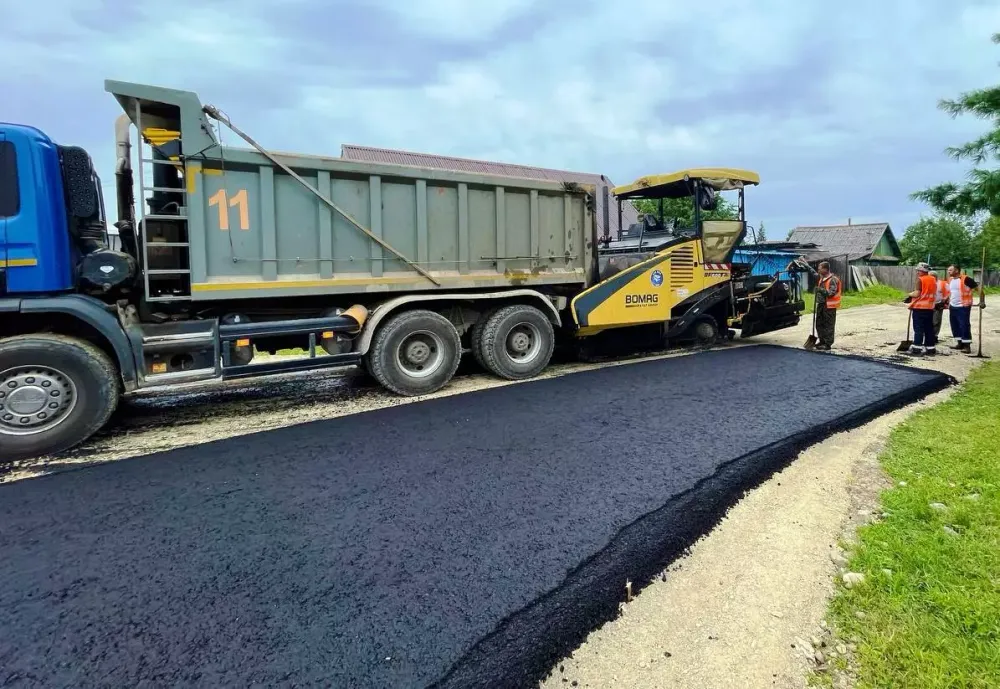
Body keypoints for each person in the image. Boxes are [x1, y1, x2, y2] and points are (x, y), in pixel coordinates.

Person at [806, 260, 841, 350]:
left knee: (828, 325)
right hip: (821, 304)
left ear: (825, 269)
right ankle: (822, 341)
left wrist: (820, 290)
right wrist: (805, 264)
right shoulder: (822, 278)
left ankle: (827, 344)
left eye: (820, 268)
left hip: (829, 306)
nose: (818, 270)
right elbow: (814, 273)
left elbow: (831, 293)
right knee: (819, 323)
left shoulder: (833, 279)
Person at [946, 264, 981, 353]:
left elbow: (978, 289)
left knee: (964, 325)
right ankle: (960, 343)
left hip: (963, 306)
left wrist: (982, 301)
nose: (948, 272)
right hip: (953, 306)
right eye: (948, 270)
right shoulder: (950, 280)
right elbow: (951, 292)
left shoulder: (966, 279)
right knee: (955, 325)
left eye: (950, 270)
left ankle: (967, 346)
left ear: (957, 270)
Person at [905, 262, 938, 356]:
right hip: (930, 308)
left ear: (922, 271)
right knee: (929, 329)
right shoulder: (933, 279)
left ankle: (917, 348)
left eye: (918, 270)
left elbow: (917, 294)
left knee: (918, 329)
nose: (917, 272)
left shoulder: (920, 280)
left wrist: (909, 294)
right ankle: (930, 349)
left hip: (919, 308)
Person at [930, 270, 948, 338]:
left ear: (936, 277)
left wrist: (944, 301)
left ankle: (935, 336)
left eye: (932, 277)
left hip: (938, 305)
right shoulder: (927, 283)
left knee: (936, 321)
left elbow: (948, 293)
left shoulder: (942, 284)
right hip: (928, 305)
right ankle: (927, 335)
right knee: (928, 321)